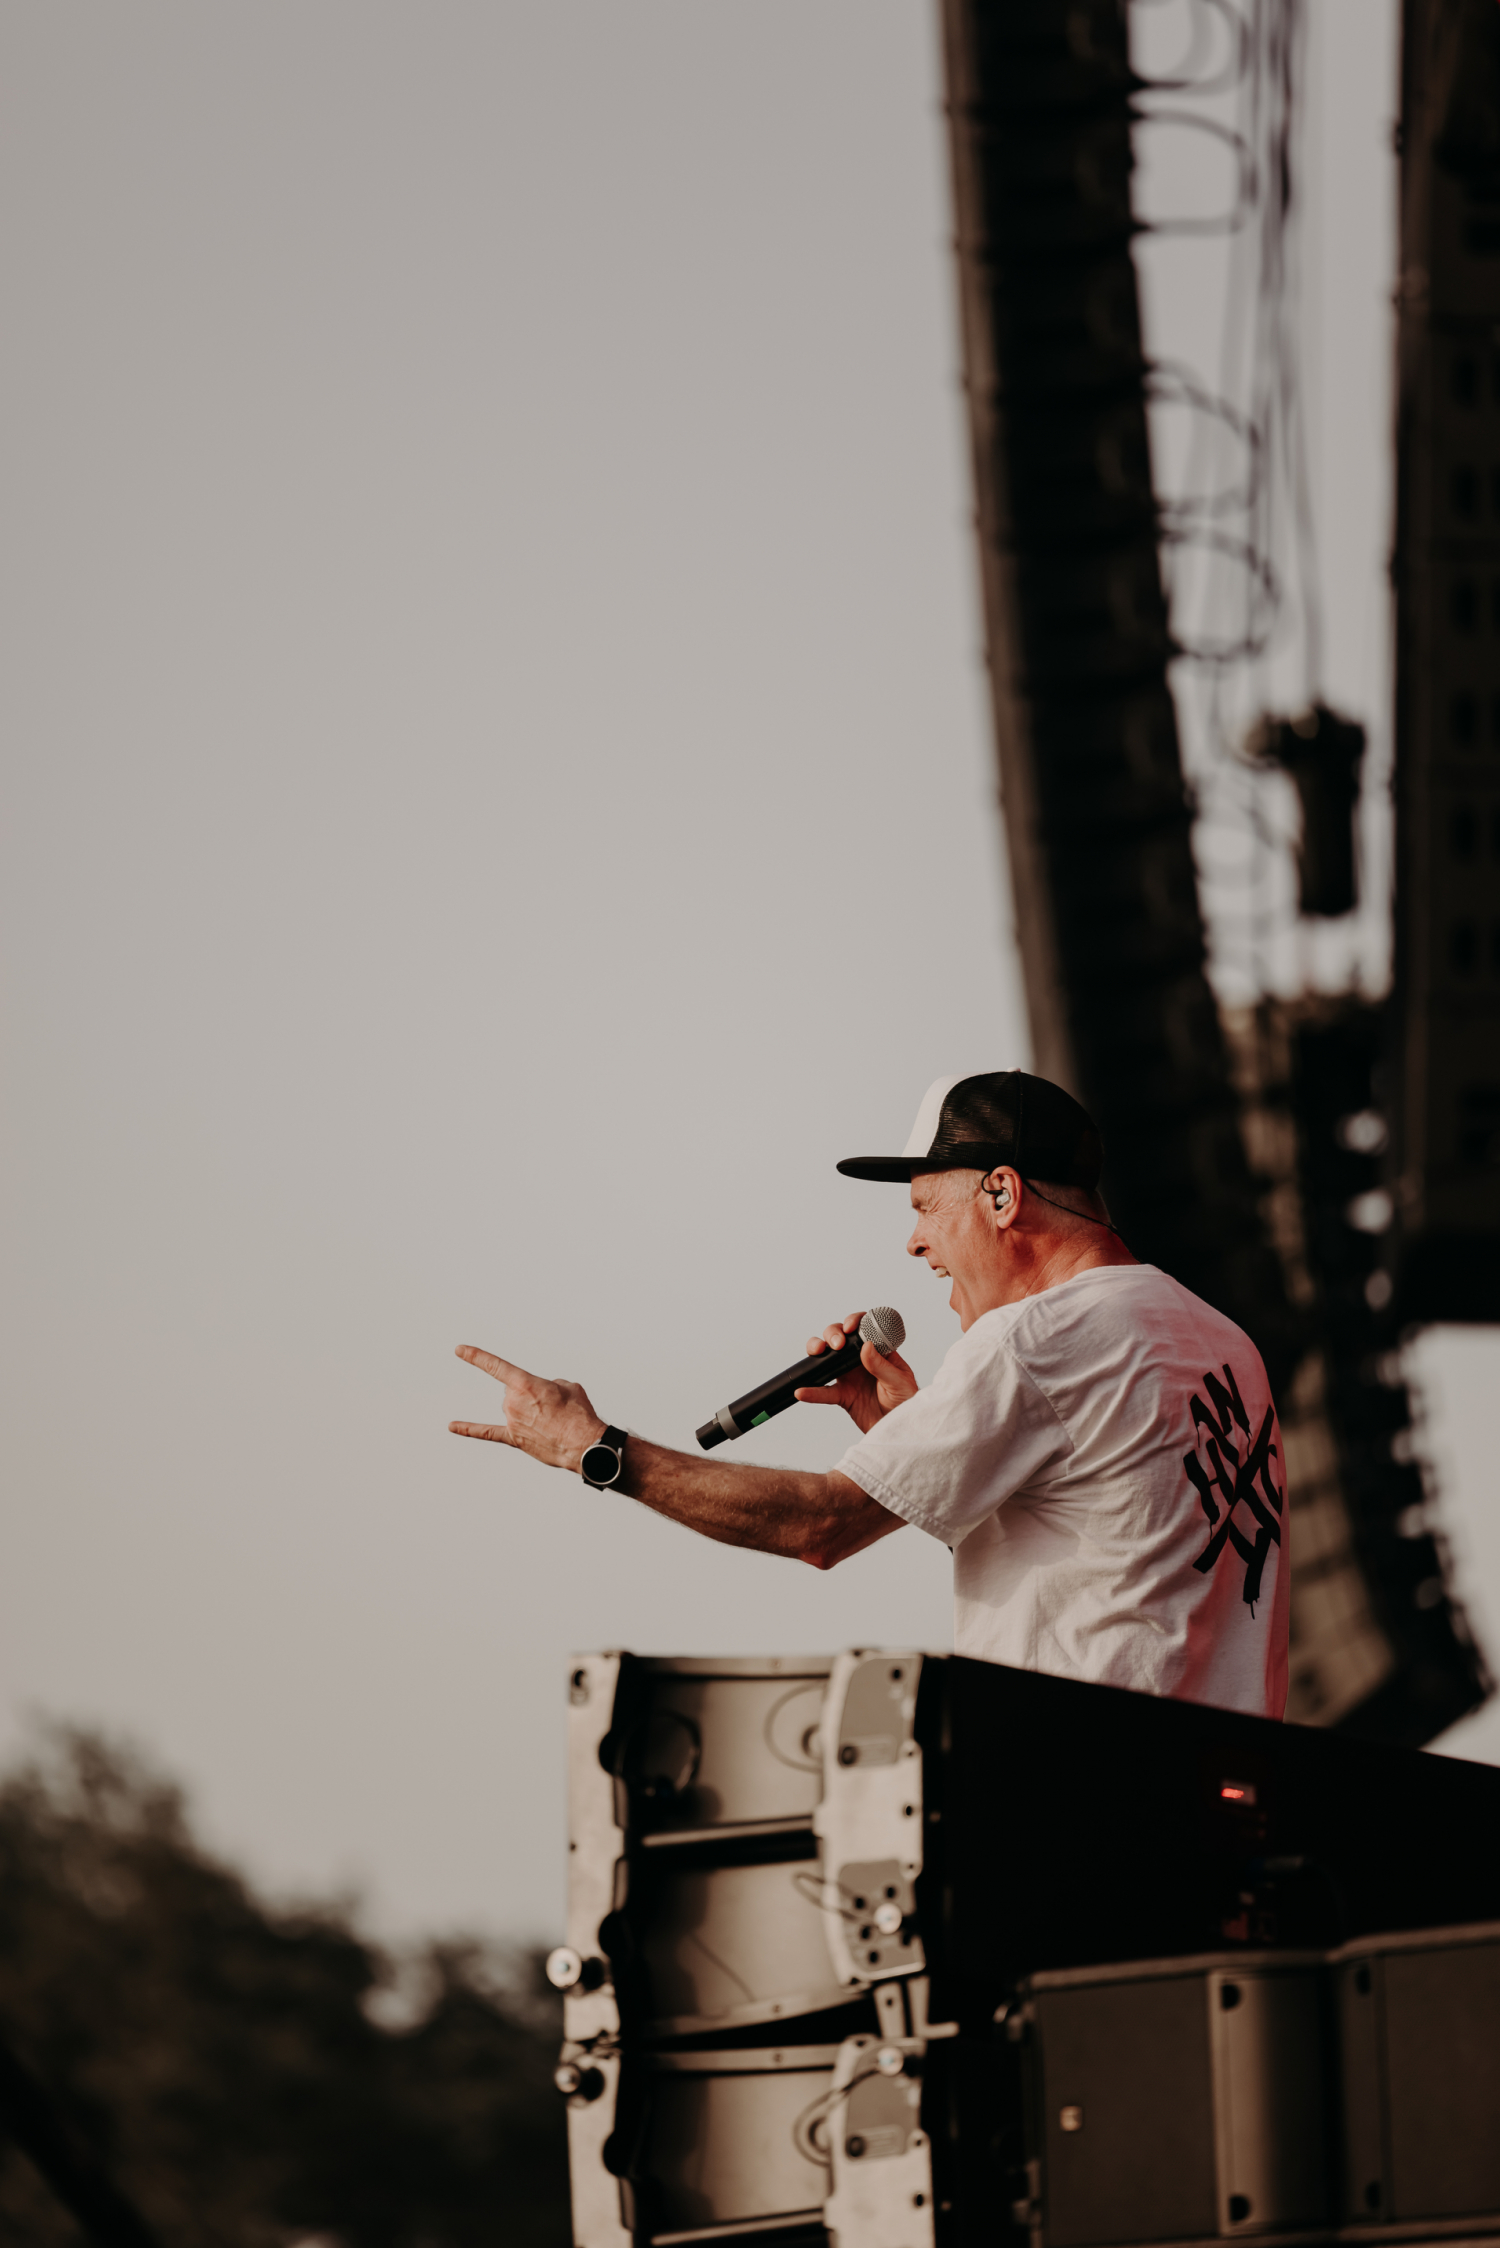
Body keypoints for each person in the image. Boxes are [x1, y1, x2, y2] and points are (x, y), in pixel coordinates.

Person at [450, 1069, 1289, 1718]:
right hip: (1224, 1803)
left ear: (1002, 1194)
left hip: (1081, 1812)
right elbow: (1106, 1542)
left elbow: (821, 1526)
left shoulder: (1032, 1338)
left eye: (924, 1207)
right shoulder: (1221, 1342)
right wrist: (908, 1429)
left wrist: (596, 1451)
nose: (914, 1242)